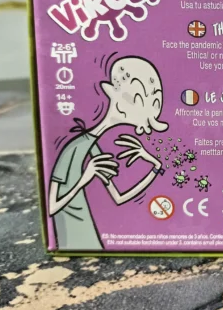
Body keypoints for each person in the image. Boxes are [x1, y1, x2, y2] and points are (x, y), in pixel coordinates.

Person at [48, 56, 168, 250]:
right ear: (112, 92)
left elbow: (118, 197)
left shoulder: (96, 147)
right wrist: (84, 179)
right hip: (74, 240)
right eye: (137, 97)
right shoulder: (75, 147)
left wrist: (155, 165)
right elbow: (52, 207)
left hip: (92, 239)